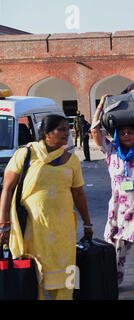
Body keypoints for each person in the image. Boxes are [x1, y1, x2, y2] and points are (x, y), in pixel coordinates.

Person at [0, 114, 93, 300]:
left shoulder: (72, 161)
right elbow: (7, 188)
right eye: (61, 129)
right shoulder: (25, 154)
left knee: (66, 277)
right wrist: (4, 224)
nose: (67, 133)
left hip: (63, 233)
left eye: (68, 129)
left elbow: (79, 194)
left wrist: (88, 223)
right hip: (31, 232)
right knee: (32, 280)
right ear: (46, 133)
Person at [91, 90, 134, 297]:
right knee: (116, 251)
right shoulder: (111, 151)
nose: (127, 135)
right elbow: (95, 131)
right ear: (118, 135)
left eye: (130, 131)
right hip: (118, 211)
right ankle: (114, 281)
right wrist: (101, 105)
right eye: (123, 132)